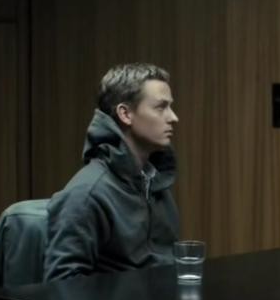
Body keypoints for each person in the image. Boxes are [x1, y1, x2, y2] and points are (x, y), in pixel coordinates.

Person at [44, 63, 181, 280]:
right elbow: (64, 285)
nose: (173, 117)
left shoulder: (155, 183)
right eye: (160, 107)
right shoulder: (87, 194)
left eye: (170, 107)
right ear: (125, 114)